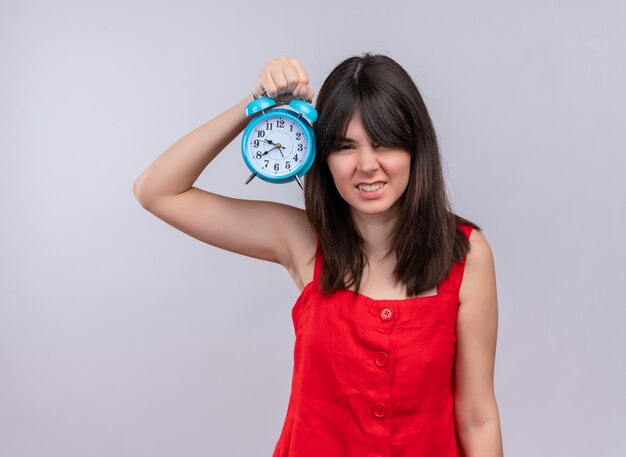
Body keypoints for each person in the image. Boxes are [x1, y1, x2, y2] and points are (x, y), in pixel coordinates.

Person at [133, 53, 504, 456]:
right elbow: (157, 191)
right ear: (321, 157)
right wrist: (254, 104)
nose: (367, 165)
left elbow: (476, 417)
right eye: (345, 146)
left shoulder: (465, 254)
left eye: (385, 143)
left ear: (416, 148)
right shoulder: (303, 241)